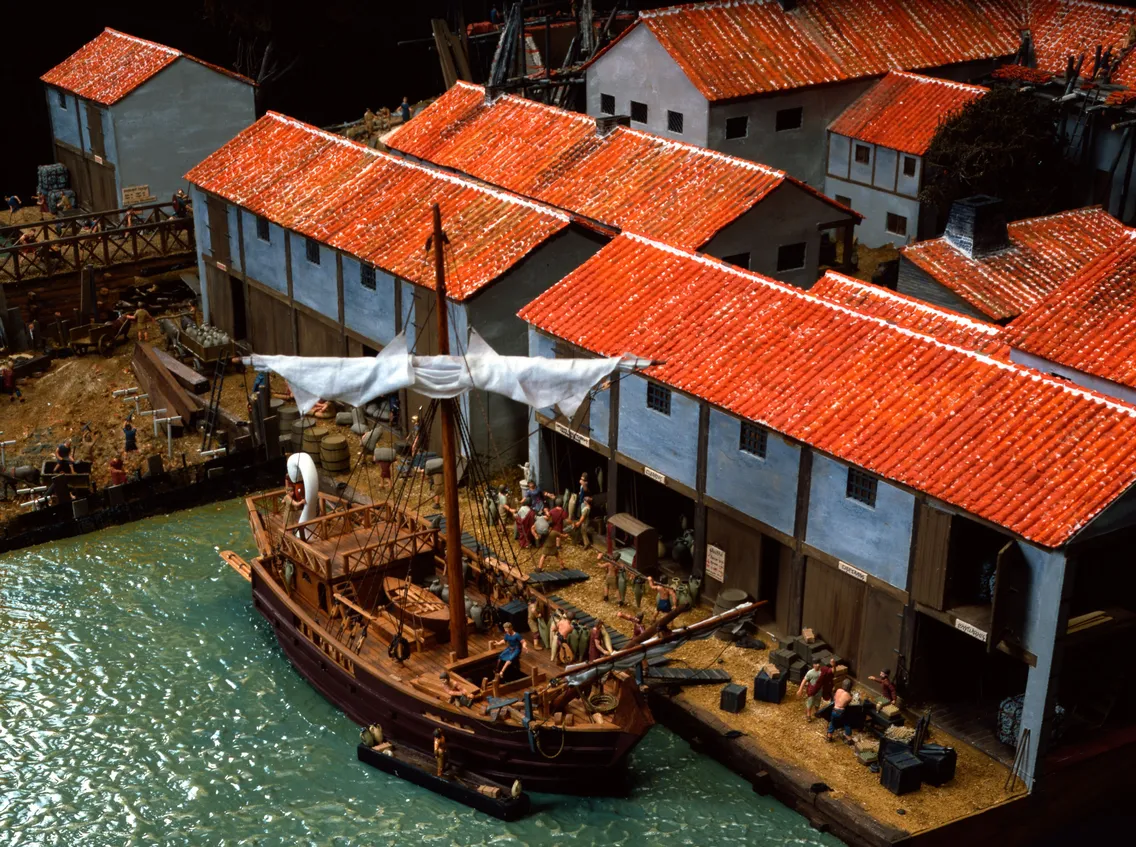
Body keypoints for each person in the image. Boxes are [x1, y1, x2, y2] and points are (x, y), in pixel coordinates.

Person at [828, 679, 854, 744]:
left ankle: (829, 736)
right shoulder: (849, 696)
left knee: (832, 723)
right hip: (841, 712)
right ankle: (849, 739)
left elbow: (834, 698)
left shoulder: (838, 690)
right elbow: (847, 704)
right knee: (846, 723)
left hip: (834, 710)